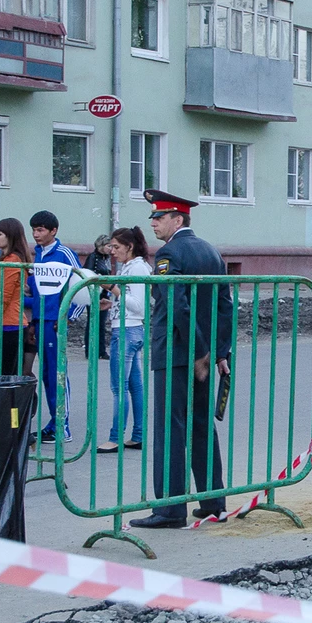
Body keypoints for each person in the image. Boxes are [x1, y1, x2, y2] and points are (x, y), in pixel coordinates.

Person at [129, 191, 235, 530]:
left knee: (170, 429)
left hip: (177, 353)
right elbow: (224, 305)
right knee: (201, 426)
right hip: (201, 355)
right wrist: (219, 352)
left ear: (178, 220)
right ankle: (213, 503)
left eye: (159, 217)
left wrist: (200, 351)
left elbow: (177, 305)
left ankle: (170, 509)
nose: (153, 223)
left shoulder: (169, 253)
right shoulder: (211, 251)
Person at [90, 227, 154, 454]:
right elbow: (132, 301)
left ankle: (115, 437)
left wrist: (114, 289)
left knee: (119, 387)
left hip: (127, 331)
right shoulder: (133, 266)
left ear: (130, 246)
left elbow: (139, 306)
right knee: (134, 386)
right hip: (131, 329)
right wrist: (113, 302)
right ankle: (137, 435)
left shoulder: (137, 268)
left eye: (116, 247)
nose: (112, 251)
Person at [25, 210, 82, 442]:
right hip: (41, 320)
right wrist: (33, 321)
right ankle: (53, 422)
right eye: (34, 230)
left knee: (58, 373)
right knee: (47, 374)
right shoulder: (39, 254)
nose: (36, 234)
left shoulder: (64, 253)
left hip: (55, 322)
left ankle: (63, 426)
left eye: (40, 230)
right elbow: (38, 290)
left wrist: (69, 317)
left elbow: (82, 283)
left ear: (53, 231)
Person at [0, 218, 32, 378]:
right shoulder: (8, 259)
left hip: (10, 324)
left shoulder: (12, 261)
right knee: (5, 376)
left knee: (3, 377)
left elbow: (4, 297)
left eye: (0, 234)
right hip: (9, 322)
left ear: (11, 236)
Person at [86, 233, 116, 358]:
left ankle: (101, 351)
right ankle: (90, 350)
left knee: (101, 323)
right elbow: (87, 273)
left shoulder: (106, 258)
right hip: (94, 293)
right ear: (101, 245)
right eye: (108, 246)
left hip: (105, 293)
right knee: (93, 322)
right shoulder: (93, 257)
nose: (111, 249)